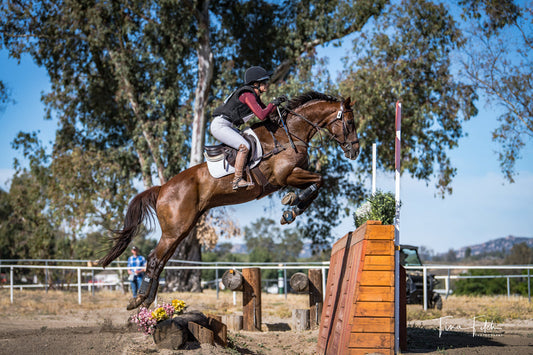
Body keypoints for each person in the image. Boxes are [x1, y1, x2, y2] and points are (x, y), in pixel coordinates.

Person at [211, 66, 287, 190]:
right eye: (264, 82)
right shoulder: (247, 94)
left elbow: (267, 113)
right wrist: (272, 104)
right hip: (220, 125)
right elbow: (262, 115)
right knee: (244, 146)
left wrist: (278, 106)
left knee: (250, 142)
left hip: (227, 125)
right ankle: (237, 179)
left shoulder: (254, 96)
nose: (267, 84)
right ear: (255, 83)